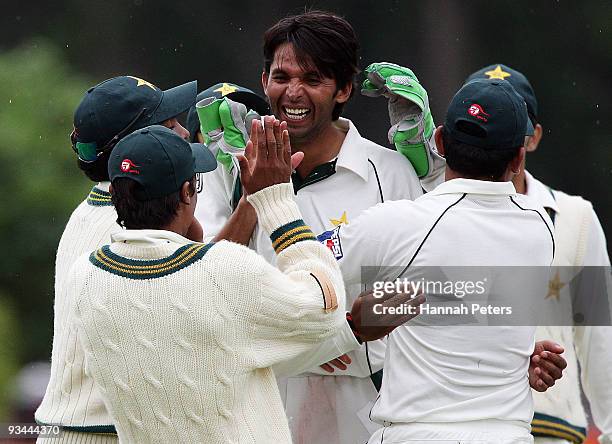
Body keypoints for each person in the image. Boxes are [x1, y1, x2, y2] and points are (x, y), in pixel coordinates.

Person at [64, 121, 413, 443]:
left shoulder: (85, 276)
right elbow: (324, 302)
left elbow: (224, 359)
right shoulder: (223, 272)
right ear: (188, 192)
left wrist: (346, 334)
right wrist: (276, 200)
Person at [194, 11, 431, 443]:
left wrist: (337, 337)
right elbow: (205, 289)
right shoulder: (228, 169)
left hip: (367, 412)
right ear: (263, 80)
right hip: (259, 409)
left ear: (344, 90)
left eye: (314, 78)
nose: (294, 93)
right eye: (281, 76)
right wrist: (256, 193)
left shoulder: (389, 173)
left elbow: (421, 293)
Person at [319, 78, 555, 443]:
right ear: (518, 159)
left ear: (441, 141)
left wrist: (259, 192)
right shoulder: (543, 226)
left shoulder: (397, 223)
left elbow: (300, 267)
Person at [35, 75, 197, 443]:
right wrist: (260, 199)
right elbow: (212, 300)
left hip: (78, 429)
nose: (184, 134)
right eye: (168, 125)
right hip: (101, 433)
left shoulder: (92, 209)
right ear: (133, 148)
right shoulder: (129, 226)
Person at [466, 64, 612, 444]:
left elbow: (598, 333)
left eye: (512, 120)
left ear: (533, 138)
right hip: (462, 424)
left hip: (552, 427)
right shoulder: (431, 213)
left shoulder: (576, 217)